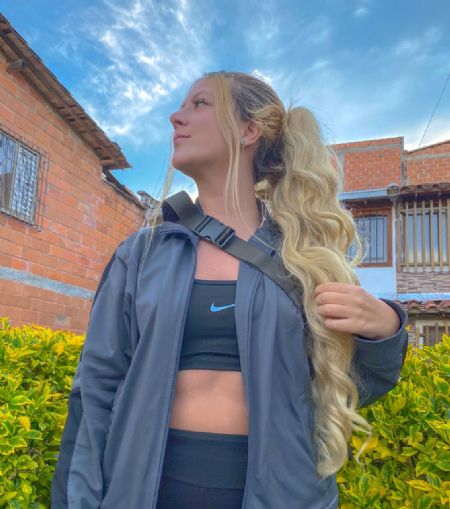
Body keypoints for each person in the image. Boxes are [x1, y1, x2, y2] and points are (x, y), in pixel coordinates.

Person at [51, 71, 409, 509]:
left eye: (199, 104)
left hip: (282, 496)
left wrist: (384, 330)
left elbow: (351, 387)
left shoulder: (304, 257)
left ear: (248, 130)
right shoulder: (140, 254)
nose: (175, 117)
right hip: (142, 494)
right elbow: (94, 389)